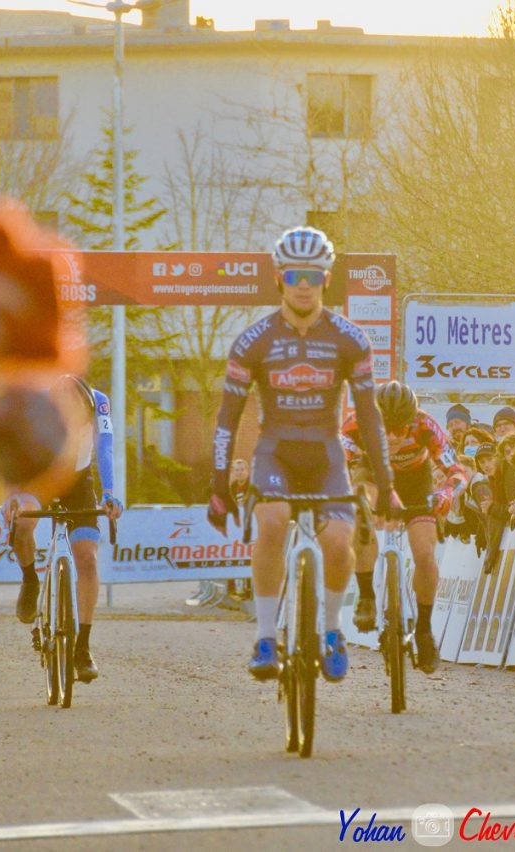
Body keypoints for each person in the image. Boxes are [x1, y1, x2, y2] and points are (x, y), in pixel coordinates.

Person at [206, 225, 397, 684]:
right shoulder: (254, 341)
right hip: (276, 453)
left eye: (313, 275)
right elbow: (226, 420)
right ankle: (267, 635)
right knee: (271, 522)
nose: (305, 285)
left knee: (337, 543)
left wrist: (387, 485)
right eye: (295, 277)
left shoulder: (350, 339)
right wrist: (217, 486)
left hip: (327, 454)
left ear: (327, 278)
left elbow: (369, 417)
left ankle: (332, 629)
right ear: (279, 278)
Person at [5, 375, 124, 683]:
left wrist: (110, 492)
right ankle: (30, 580)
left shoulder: (99, 401)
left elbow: (106, 449)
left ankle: (82, 647)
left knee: (87, 559)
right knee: (23, 520)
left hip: (78, 484)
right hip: (40, 477)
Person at [343, 381, 464, 673]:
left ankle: (423, 630)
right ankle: (367, 597)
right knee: (362, 503)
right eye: (386, 427)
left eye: (401, 428)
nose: (394, 436)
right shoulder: (356, 424)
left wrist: (447, 492)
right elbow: (336, 463)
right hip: (372, 476)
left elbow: (457, 470)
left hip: (414, 482)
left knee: (424, 553)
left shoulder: (425, 426)